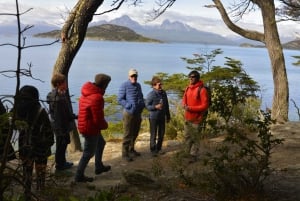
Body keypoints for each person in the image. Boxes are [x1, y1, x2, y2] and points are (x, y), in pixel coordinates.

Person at [15, 85, 54, 196]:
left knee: (26, 171)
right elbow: (48, 131)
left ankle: (26, 192)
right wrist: (49, 143)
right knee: (41, 172)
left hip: (24, 146)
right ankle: (40, 191)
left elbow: (15, 127)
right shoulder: (40, 111)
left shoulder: (18, 110)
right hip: (40, 147)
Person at [75, 73, 112, 183]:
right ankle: (79, 176)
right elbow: (98, 119)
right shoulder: (97, 97)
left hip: (85, 124)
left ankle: (99, 166)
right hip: (90, 128)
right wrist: (105, 125)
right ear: (104, 84)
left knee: (101, 143)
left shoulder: (86, 93)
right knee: (88, 153)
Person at [46, 73, 75, 171]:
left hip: (57, 126)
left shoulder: (54, 94)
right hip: (61, 127)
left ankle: (62, 162)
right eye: (64, 83)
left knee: (61, 145)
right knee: (61, 146)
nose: (66, 85)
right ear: (58, 84)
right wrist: (62, 131)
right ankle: (60, 165)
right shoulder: (58, 99)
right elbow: (60, 116)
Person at [118, 68, 145, 162]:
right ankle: (125, 154)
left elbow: (141, 96)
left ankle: (131, 149)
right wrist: (129, 105)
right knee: (127, 134)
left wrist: (142, 105)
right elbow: (120, 99)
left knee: (135, 133)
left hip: (138, 113)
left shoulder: (138, 85)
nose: (134, 77)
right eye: (132, 76)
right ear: (129, 76)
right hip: (128, 113)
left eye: (135, 76)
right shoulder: (124, 85)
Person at [182, 70, 209, 162]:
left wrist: (191, 108)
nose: (190, 78)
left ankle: (193, 156)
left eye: (192, 77)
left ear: (197, 78)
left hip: (197, 119)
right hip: (187, 117)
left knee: (195, 138)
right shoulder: (188, 88)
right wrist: (184, 105)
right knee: (186, 136)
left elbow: (205, 105)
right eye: (189, 76)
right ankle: (186, 153)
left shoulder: (202, 90)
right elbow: (184, 99)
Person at [145, 76, 171, 157]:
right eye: (159, 85)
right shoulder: (151, 94)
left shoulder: (163, 93)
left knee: (161, 134)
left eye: (161, 84)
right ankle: (153, 150)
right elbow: (147, 106)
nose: (160, 86)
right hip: (153, 118)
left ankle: (158, 149)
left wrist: (168, 115)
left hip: (162, 117)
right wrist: (155, 107)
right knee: (153, 134)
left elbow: (166, 105)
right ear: (154, 85)